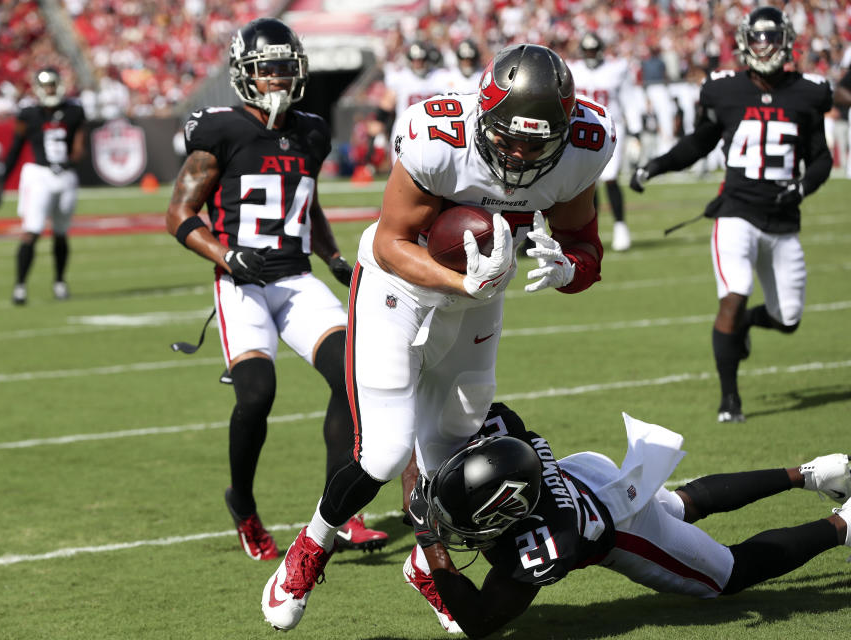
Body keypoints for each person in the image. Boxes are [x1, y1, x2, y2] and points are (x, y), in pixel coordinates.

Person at [262, 43, 614, 630]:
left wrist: (570, 269)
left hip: (479, 295)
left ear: (564, 128)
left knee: (451, 446)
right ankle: (312, 544)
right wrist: (460, 280)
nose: (522, 153)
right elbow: (388, 243)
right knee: (386, 451)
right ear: (483, 112)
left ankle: (427, 562)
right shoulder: (437, 137)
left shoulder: (583, 147)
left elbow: (587, 249)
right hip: (399, 287)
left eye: (537, 142)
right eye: (510, 137)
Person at [164, 18, 388, 562]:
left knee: (352, 381)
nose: (279, 80)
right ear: (245, 75)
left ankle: (343, 509)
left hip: (295, 278)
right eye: (268, 70)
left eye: (287, 68)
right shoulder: (222, 129)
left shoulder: (311, 129)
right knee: (257, 396)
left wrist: (331, 254)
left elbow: (304, 203)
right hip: (242, 284)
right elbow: (179, 214)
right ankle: (242, 502)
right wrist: (226, 254)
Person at [403, 402, 851, 638]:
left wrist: (429, 537)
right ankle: (813, 473)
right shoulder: (502, 436)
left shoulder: (545, 543)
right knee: (678, 505)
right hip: (586, 474)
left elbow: (481, 622)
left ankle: (844, 524)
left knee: (724, 575)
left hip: (616, 522)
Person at [629, 6, 833, 423]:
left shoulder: (808, 92)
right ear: (743, 42)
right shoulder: (724, 90)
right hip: (736, 211)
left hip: (783, 220)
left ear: (786, 40)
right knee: (734, 294)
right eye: (757, 38)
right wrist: (655, 165)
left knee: (788, 319)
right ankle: (730, 401)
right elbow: (700, 141)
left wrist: (803, 186)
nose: (764, 46)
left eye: (771, 37)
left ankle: (745, 326)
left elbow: (821, 158)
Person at [0, 67, 86, 305]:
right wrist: (2, 182)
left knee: (61, 233)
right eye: (46, 86)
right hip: (39, 175)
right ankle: (20, 286)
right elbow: (15, 148)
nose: (50, 90)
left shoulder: (74, 110)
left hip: (65, 177)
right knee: (31, 231)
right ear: (37, 88)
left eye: (53, 85)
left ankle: (60, 282)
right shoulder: (28, 114)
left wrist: (70, 160)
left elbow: (79, 146)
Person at [567, 32, 634, 251]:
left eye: (593, 50)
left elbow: (628, 98)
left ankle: (620, 226)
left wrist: (636, 131)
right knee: (588, 183)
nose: (590, 55)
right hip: (584, 129)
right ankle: (591, 231)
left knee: (611, 178)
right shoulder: (574, 69)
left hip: (613, 127)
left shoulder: (616, 69)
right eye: (587, 51)